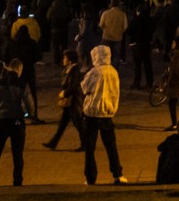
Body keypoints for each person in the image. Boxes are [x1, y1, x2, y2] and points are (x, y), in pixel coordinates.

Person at [80, 45, 128, 185]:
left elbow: (85, 88)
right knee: (111, 145)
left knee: (90, 147)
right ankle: (117, 174)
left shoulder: (94, 72)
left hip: (92, 113)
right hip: (107, 113)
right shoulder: (113, 72)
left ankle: (91, 177)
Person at [0, 58, 31, 187]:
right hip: (16, 121)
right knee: (17, 153)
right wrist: (26, 114)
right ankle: (17, 180)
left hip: (0, 121)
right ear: (19, 69)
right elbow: (29, 106)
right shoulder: (22, 84)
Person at [45, 50, 84, 150]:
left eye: (65, 58)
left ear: (70, 60)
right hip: (69, 101)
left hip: (73, 101)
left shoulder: (74, 70)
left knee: (78, 124)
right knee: (63, 124)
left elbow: (73, 86)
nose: (63, 60)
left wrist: (64, 93)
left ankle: (86, 144)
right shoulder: (69, 69)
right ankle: (53, 142)